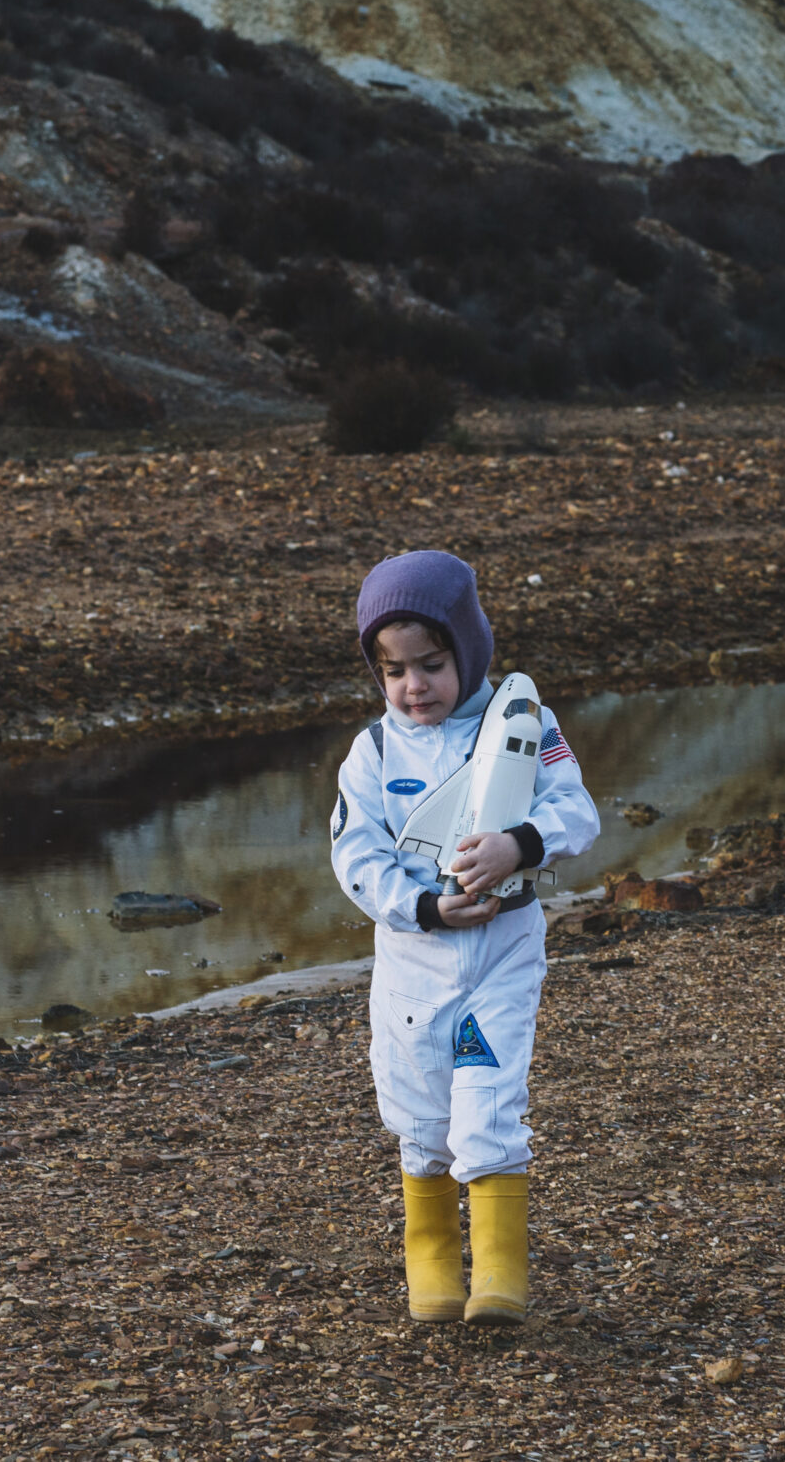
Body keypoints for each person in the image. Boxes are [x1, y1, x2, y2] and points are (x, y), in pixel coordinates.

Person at [330, 551, 600, 1325]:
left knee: (487, 1100)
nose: (414, 686)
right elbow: (356, 856)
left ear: (468, 650)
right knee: (419, 1114)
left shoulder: (524, 724)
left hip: (502, 955)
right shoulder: (374, 754)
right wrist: (419, 904)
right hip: (416, 965)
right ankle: (434, 1264)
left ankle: (501, 1276)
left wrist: (521, 843)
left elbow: (578, 811)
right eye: (394, 671)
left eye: (432, 664)